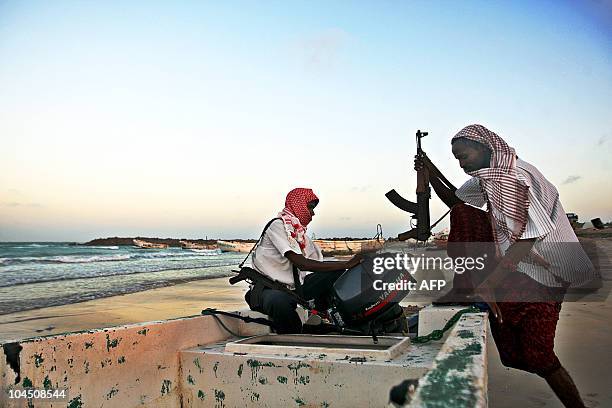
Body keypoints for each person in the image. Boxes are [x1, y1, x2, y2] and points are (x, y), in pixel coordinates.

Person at [415, 124, 596, 408]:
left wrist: (489, 283)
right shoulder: (489, 176)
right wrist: (428, 172)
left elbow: (530, 236)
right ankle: (470, 288)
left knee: (540, 358)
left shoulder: (512, 176)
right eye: (457, 159)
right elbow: (457, 201)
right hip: (520, 269)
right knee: (512, 355)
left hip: (547, 273)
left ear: (485, 147)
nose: (462, 164)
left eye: (465, 156)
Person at [247, 187, 362, 334]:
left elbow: (318, 264)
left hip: (294, 289)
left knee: (335, 272)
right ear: (298, 205)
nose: (313, 213)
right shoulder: (278, 226)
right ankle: (296, 337)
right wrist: (347, 263)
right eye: (310, 208)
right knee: (279, 302)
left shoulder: (299, 233)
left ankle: (321, 315)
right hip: (268, 290)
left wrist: (347, 265)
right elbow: (302, 263)